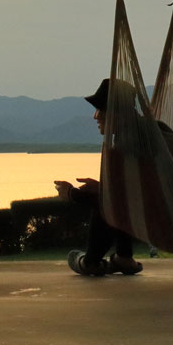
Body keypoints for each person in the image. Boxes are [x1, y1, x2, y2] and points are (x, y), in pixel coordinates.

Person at [54, 78, 144, 276]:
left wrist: (72, 195)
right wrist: (102, 187)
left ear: (116, 114)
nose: (95, 116)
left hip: (159, 211)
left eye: (100, 110)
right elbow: (131, 192)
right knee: (108, 196)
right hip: (169, 209)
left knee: (107, 200)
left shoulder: (130, 144)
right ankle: (124, 257)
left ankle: (91, 262)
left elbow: (121, 199)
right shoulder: (143, 134)